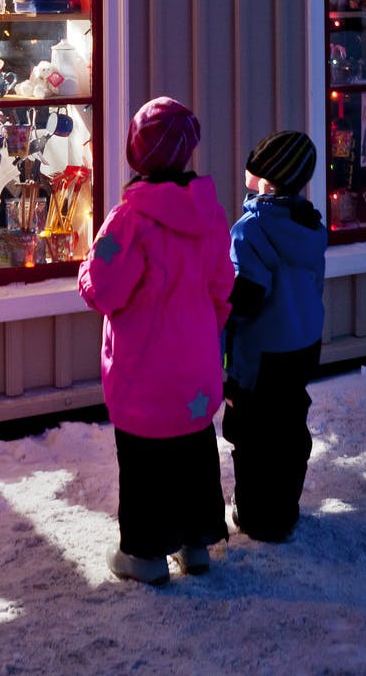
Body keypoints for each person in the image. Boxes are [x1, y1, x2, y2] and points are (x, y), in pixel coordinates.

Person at [77, 96, 235, 585]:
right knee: (194, 451)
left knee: (145, 462)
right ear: (188, 152)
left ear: (135, 153)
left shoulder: (128, 221)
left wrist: (85, 271)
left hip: (143, 373)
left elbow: (104, 289)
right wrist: (203, 331)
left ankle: (143, 553)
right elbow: (223, 286)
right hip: (195, 368)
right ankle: (196, 543)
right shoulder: (210, 214)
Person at [223, 131, 327, 543]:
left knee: (251, 432)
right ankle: (285, 507)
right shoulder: (310, 226)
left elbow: (247, 296)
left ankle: (256, 514)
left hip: (261, 350)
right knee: (288, 425)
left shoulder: (252, 229)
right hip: (303, 343)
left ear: (265, 179)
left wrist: (220, 306)